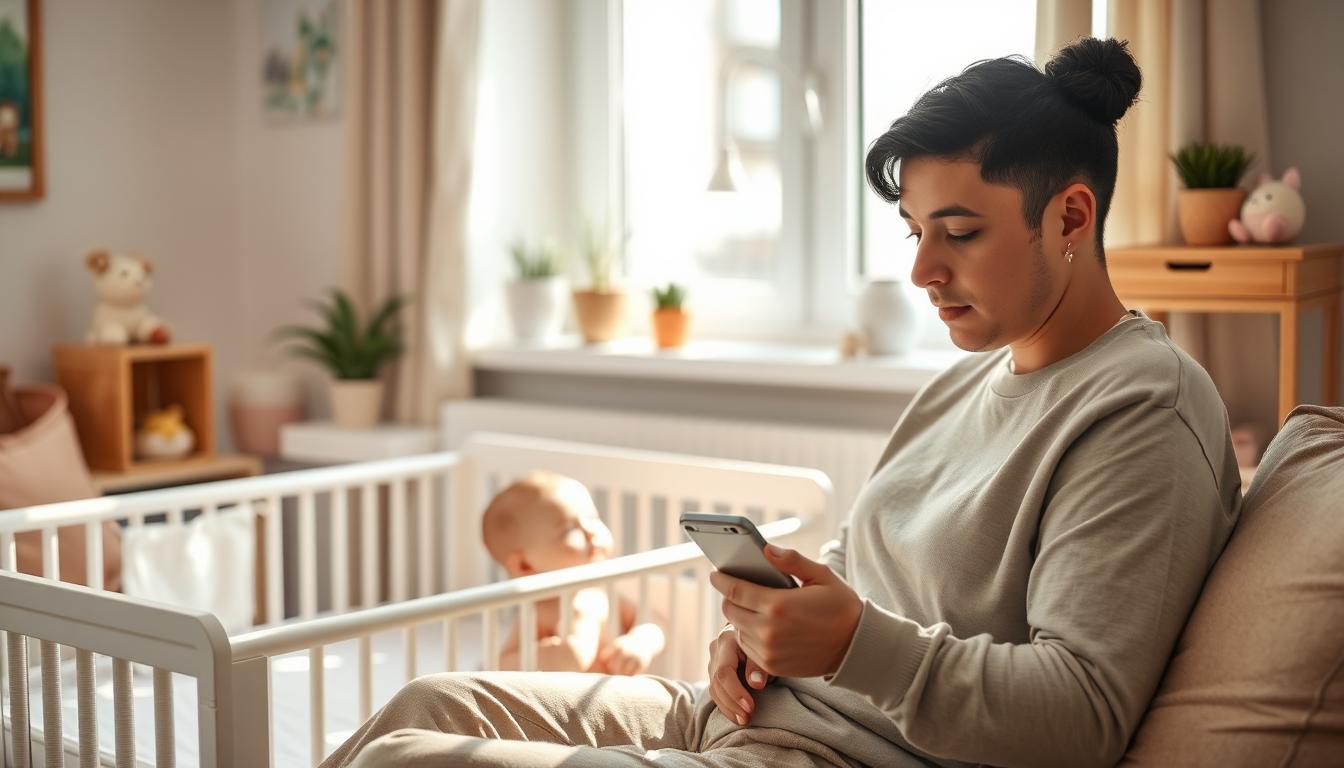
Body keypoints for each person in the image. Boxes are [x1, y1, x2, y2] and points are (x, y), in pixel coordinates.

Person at [320, 37, 1241, 768]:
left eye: (958, 233)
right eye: (916, 232)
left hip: (841, 756)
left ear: (1072, 217)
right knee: (424, 705)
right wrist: (757, 640)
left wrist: (850, 649)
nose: (922, 271)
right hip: (733, 718)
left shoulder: (1141, 411)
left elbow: (1080, 715)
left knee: (412, 760)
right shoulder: (966, 376)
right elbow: (862, 563)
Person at [480, 471, 666, 675]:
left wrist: (639, 642)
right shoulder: (538, 612)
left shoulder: (602, 594)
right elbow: (501, 664)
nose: (591, 531)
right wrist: (548, 655)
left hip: (612, 698)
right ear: (525, 565)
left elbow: (653, 621)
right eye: (569, 529)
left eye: (592, 518)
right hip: (564, 704)